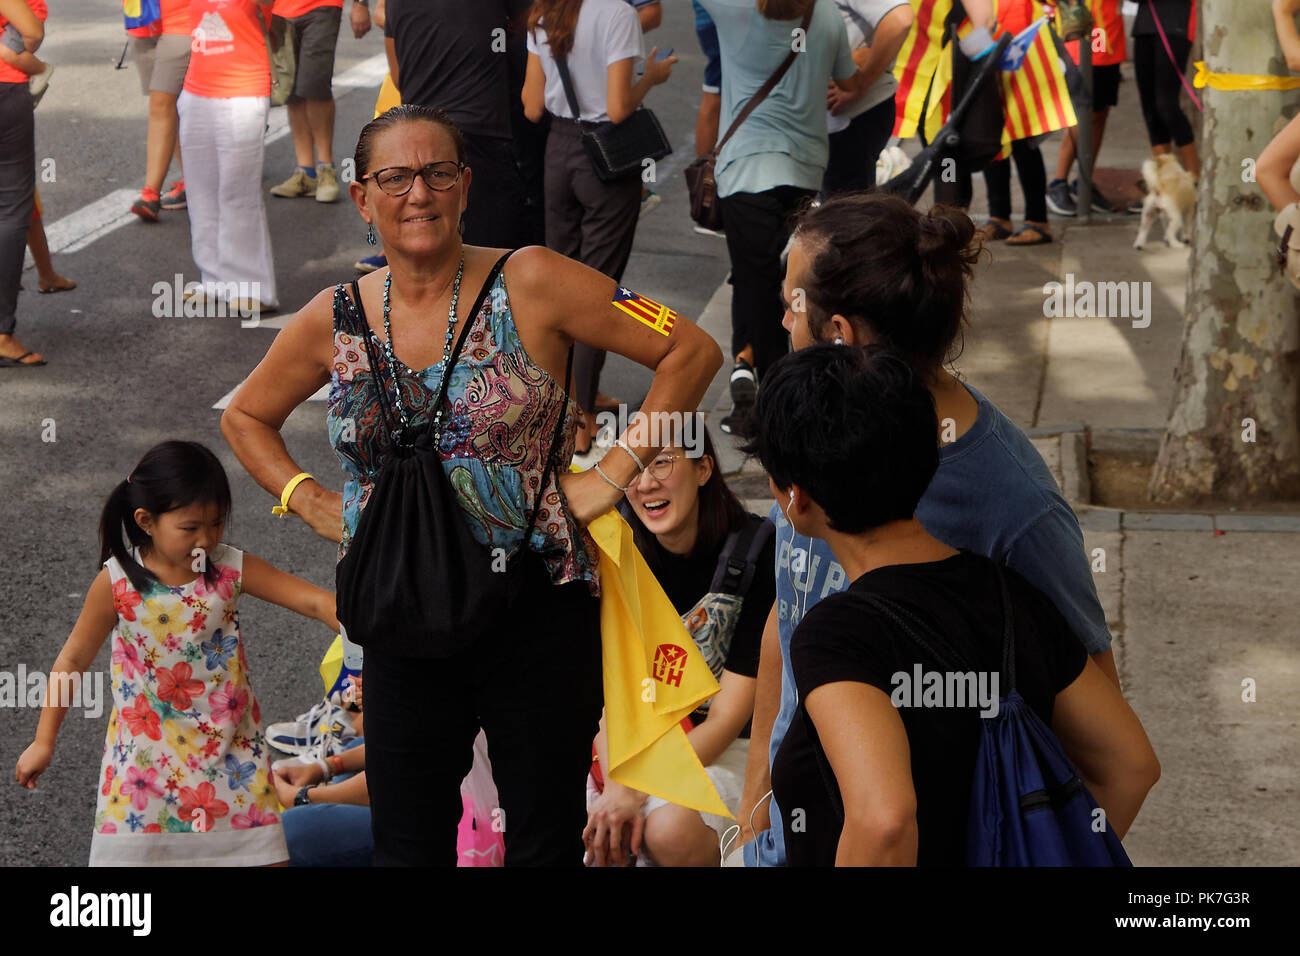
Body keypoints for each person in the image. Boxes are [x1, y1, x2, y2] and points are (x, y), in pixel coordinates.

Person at [219, 104, 722, 865]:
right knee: (408, 840)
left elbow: (689, 348)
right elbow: (247, 416)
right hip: (399, 615)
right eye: (394, 177)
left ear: (464, 185)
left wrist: (613, 475)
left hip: (534, 611)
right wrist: (309, 500)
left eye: (437, 173)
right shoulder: (337, 316)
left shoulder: (534, 279)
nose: (417, 194)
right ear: (362, 198)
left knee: (545, 837)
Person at [735, 192, 1123, 866]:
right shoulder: (816, 431)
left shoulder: (1014, 503)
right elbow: (788, 613)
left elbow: (1103, 741)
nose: (780, 319)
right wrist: (756, 807)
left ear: (841, 334)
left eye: (794, 303)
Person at [749, 344, 1160, 865]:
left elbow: (885, 823)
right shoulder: (1013, 595)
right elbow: (1131, 764)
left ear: (796, 497)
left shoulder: (837, 634)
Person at [14, 440, 340, 865]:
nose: (206, 538)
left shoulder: (229, 569)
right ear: (146, 521)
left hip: (232, 759)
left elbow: (315, 602)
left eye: (217, 523)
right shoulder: (116, 584)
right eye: (190, 528)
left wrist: (372, 629)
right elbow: (72, 660)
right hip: (143, 771)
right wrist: (44, 740)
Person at [583, 430, 775, 866]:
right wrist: (619, 786)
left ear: (704, 467)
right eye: (633, 467)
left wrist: (634, 787)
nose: (645, 483)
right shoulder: (616, 548)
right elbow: (611, 697)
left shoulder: (758, 551)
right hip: (630, 741)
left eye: (663, 462)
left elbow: (729, 717)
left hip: (724, 747)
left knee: (666, 829)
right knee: (587, 824)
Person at [693, 0, 872, 438]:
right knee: (790, 287)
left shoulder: (734, 11)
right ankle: (782, 393)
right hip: (804, 171)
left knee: (754, 285)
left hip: (746, 172)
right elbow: (849, 79)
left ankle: (768, 400)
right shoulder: (826, 14)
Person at [523, 0, 676, 455]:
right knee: (596, 290)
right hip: (605, 162)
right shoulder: (618, 15)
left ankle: (560, 403)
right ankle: (583, 416)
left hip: (558, 154)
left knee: (560, 288)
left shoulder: (543, 11)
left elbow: (532, 106)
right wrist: (652, 77)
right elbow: (616, 107)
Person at [384, 0, 531, 249]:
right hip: (481, 139)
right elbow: (531, 31)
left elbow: (397, 73)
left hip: (419, 141)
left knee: (431, 253)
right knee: (494, 261)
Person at [180, 0, 278, 314]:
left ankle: (253, 288)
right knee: (201, 190)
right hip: (196, 91)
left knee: (238, 193)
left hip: (243, 91)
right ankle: (214, 278)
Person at [268, 0, 370, 203]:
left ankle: (326, 169)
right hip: (277, 10)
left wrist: (360, 4)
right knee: (291, 89)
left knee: (315, 85)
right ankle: (305, 172)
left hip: (321, 7)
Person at [822, 0, 912, 196]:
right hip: (827, 120)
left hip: (852, 117)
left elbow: (899, 20)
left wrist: (861, 82)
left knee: (845, 216)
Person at [1046, 0, 1127, 216]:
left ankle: (1083, 183)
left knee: (1100, 115)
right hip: (1078, 41)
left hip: (1109, 41)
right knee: (1082, 116)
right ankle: (1058, 183)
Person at [126, 0, 191, 221]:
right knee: (167, 108)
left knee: (162, 104)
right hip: (140, 21)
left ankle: (150, 195)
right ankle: (191, 181)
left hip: (181, 20)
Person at [1131, 0, 1199, 180]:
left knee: (1166, 105)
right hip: (1144, 25)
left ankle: (1194, 179)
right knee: (1150, 107)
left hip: (1175, 26)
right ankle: (1161, 184)